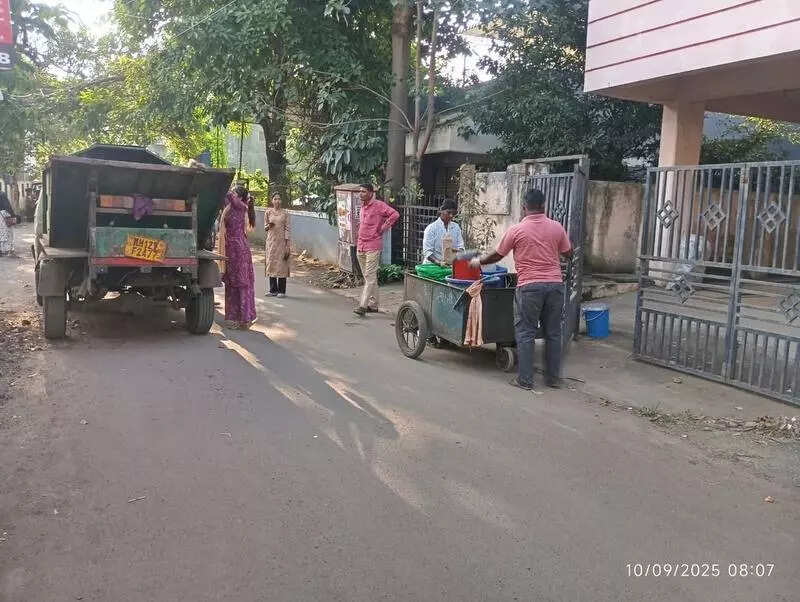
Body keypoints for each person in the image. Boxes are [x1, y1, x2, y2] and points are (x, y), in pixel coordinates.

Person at [471, 188, 573, 391]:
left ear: (524, 206)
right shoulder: (557, 227)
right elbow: (568, 253)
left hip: (529, 287)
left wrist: (479, 261)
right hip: (555, 285)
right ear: (543, 206)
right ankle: (553, 379)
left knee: (526, 332)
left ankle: (525, 380)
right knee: (553, 333)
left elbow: (498, 255)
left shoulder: (517, 230)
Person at [353, 183, 399, 316]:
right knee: (370, 277)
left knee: (369, 276)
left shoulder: (379, 205)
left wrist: (384, 227)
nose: (360, 194)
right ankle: (373, 305)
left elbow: (395, 214)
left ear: (371, 193)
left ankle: (363, 305)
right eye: (360, 191)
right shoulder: (362, 206)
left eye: (363, 191)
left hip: (373, 245)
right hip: (361, 245)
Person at [221, 185, 257, 329]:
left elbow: (227, 194)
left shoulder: (241, 206)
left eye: (235, 193)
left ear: (240, 197)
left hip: (240, 250)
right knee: (231, 283)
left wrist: (225, 183)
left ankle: (244, 319)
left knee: (241, 283)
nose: (232, 195)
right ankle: (233, 318)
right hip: (231, 249)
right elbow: (223, 196)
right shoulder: (230, 207)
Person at [422, 198, 464, 265]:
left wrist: (457, 252)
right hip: (432, 266)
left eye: (453, 213)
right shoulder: (431, 228)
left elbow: (461, 247)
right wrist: (439, 262)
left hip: (449, 265)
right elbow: (427, 252)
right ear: (441, 211)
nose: (451, 215)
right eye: (448, 212)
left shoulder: (456, 227)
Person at [265, 192, 291, 298]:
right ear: (272, 201)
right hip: (271, 241)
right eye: (275, 199)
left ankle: (282, 291)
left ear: (281, 201)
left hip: (282, 242)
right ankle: (273, 290)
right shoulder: (268, 212)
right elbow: (265, 227)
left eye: (279, 199)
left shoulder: (285, 213)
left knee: (282, 265)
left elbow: (287, 228)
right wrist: (268, 226)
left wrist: (287, 244)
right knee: (271, 263)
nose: (277, 201)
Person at [0, 190, 17, 257]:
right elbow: (7, 206)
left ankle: (2, 250)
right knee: (7, 233)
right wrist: (13, 215)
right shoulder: (2, 194)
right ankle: (7, 250)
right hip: (3, 215)